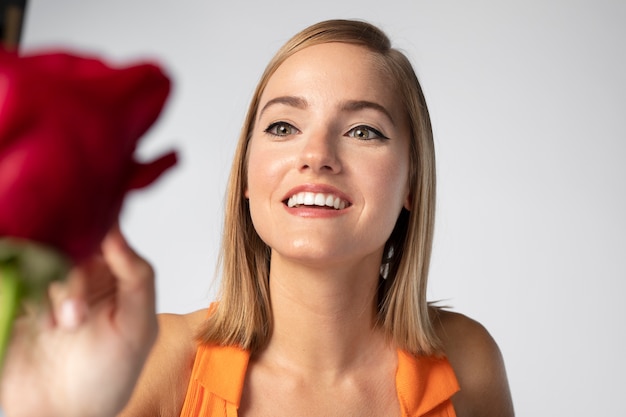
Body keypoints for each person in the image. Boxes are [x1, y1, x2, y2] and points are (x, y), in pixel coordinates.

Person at [0, 19, 514, 417]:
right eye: (284, 126)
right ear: (247, 177)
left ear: (412, 184)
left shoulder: (469, 361)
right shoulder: (158, 363)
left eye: (363, 131)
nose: (316, 155)